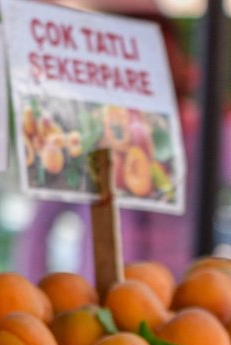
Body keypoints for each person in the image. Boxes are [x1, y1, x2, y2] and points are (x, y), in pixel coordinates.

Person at [16, 14, 220, 279]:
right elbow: (38, 228)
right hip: (100, 300)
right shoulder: (81, 133)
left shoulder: (204, 133)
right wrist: (36, 301)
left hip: (180, 299)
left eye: (159, 59)